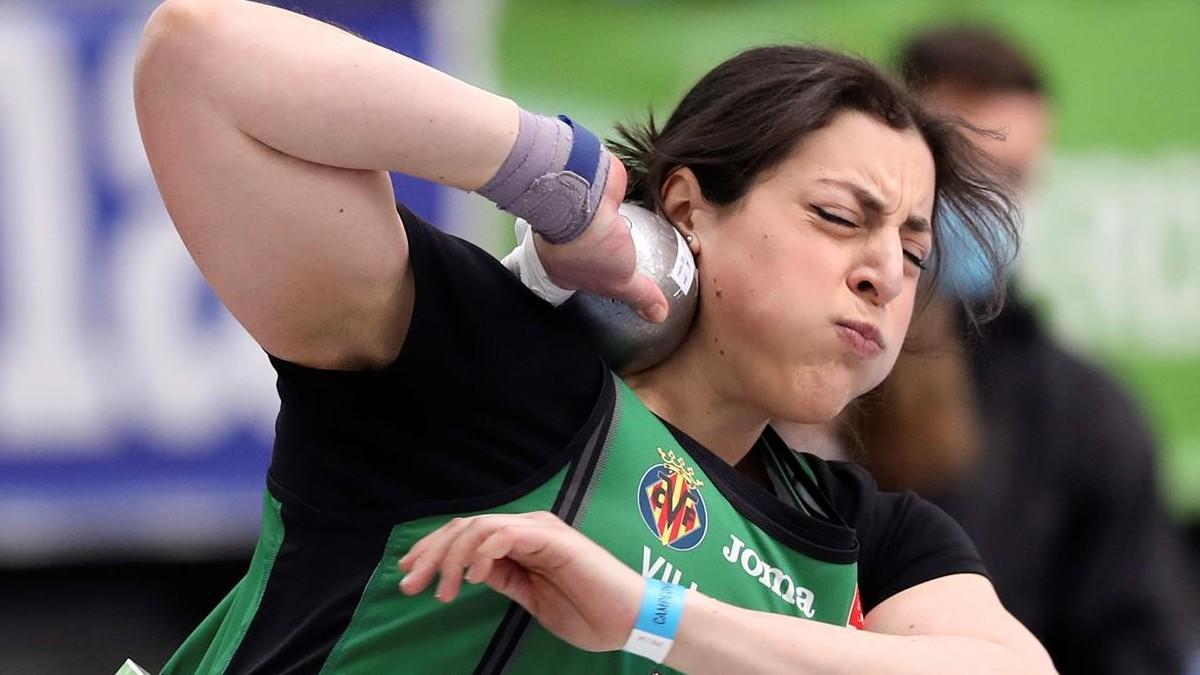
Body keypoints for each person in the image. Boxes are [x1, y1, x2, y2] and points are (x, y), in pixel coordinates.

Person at [133, 1, 1056, 673]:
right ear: (689, 209)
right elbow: (200, 59)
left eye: (911, 245)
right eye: (836, 216)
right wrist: (560, 183)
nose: (885, 272)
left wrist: (650, 615)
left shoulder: (864, 537)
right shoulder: (493, 374)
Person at [780, 24, 1197, 675]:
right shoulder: (784, 366)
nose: (990, 201)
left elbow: (1140, 640)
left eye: (1017, 177)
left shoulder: (1086, 413)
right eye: (968, 167)